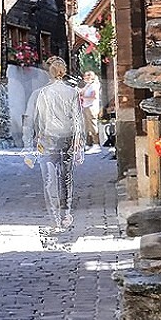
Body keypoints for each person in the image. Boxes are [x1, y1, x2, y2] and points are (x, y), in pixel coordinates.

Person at [24, 56, 84, 226]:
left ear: (49, 73)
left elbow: (37, 118)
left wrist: (34, 140)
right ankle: (66, 213)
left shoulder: (43, 93)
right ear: (64, 72)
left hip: (48, 138)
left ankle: (54, 215)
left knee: (50, 179)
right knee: (66, 177)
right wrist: (79, 143)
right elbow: (77, 119)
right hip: (67, 138)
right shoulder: (72, 92)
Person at [78, 70, 105, 149]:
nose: (84, 78)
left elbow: (94, 96)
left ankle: (96, 143)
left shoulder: (94, 86)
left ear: (90, 77)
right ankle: (89, 143)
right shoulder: (88, 85)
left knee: (93, 125)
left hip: (91, 107)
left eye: (86, 76)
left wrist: (83, 97)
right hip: (86, 106)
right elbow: (82, 92)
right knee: (87, 126)